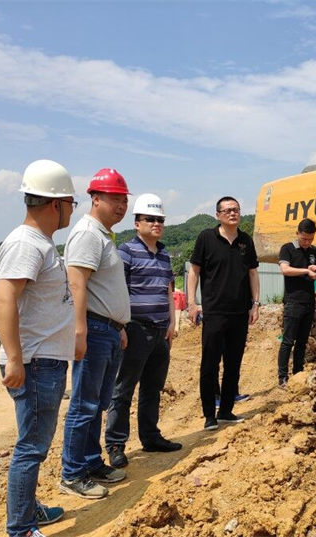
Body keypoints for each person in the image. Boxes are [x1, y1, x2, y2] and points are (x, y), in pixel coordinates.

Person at [0, 159, 77, 537]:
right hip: (35, 362)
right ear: (55, 204)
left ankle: (28, 509)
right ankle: (21, 528)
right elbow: (4, 298)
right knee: (31, 447)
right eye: (71, 203)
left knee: (36, 444)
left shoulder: (41, 243)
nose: (72, 211)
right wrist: (15, 358)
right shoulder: (26, 243)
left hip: (44, 360)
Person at [60, 168, 131, 500]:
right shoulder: (88, 233)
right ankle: (73, 473)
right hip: (95, 329)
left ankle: (90, 462)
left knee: (97, 403)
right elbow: (76, 283)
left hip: (108, 330)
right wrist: (80, 329)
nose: (121, 206)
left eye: (123, 200)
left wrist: (119, 327)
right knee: (84, 404)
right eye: (114, 199)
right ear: (95, 198)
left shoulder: (103, 235)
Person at [104, 193, 181, 470]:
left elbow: (168, 291)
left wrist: (172, 324)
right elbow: (117, 291)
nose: (156, 224)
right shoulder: (125, 252)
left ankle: (150, 437)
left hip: (161, 332)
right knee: (123, 390)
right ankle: (115, 445)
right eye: (150, 219)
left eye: (160, 219)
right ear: (137, 223)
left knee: (153, 388)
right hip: (136, 330)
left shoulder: (164, 254)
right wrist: (121, 327)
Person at [188, 196, 260, 431]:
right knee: (210, 364)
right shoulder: (206, 238)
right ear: (218, 215)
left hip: (240, 313)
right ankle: (209, 415)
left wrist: (255, 304)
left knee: (233, 363)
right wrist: (192, 303)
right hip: (214, 312)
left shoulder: (246, 241)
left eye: (236, 209)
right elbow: (194, 271)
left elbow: (252, 273)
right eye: (227, 210)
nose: (232, 213)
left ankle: (226, 410)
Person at [277, 218, 316, 388]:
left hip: (309, 302)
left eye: (310, 239)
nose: (307, 242)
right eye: (304, 239)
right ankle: (282, 377)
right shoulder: (287, 249)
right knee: (288, 341)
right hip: (293, 302)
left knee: (302, 341)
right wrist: (306, 270)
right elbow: (285, 270)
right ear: (297, 234)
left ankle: (298, 373)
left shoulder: (315, 251)